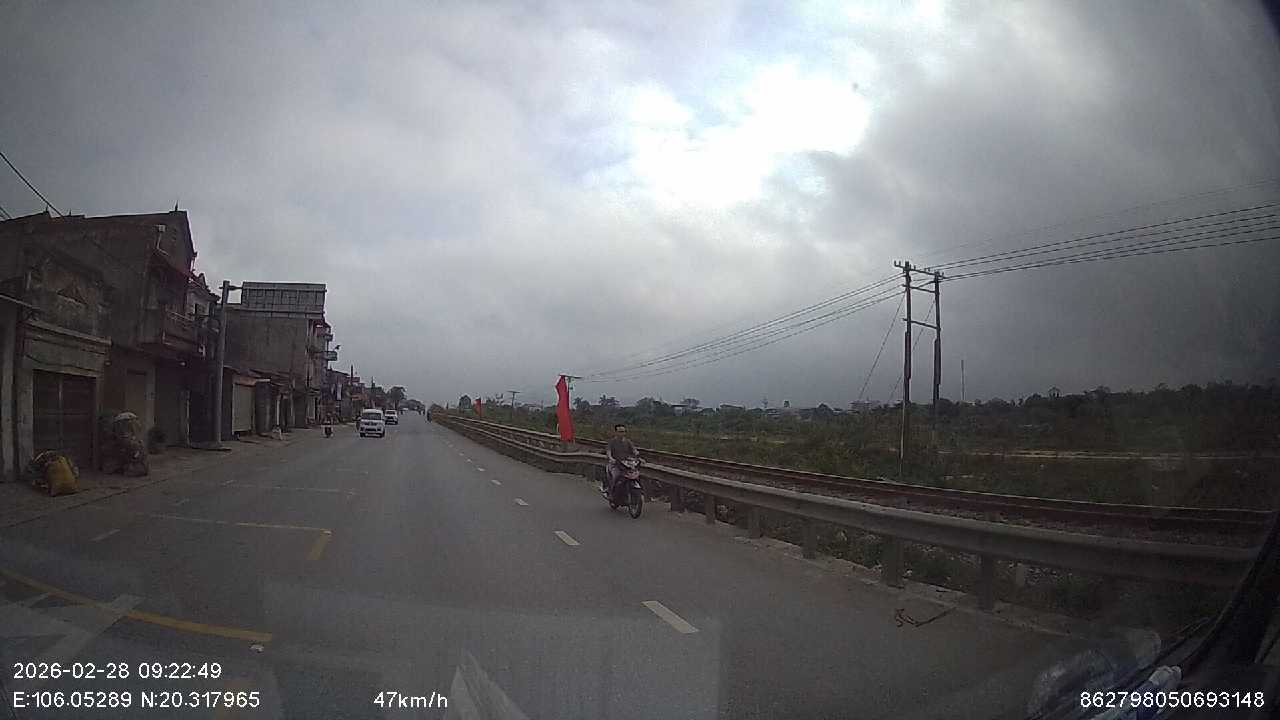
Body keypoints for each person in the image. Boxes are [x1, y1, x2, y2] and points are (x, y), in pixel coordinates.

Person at [605, 423, 640, 495]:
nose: (622, 433)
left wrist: (637, 454)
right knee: (616, 476)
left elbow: (634, 450)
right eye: (620, 432)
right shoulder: (612, 442)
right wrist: (611, 458)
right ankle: (611, 493)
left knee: (636, 475)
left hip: (626, 464)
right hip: (615, 464)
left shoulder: (628, 442)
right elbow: (608, 452)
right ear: (616, 432)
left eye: (624, 431)